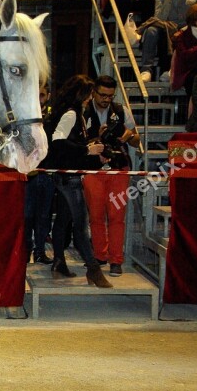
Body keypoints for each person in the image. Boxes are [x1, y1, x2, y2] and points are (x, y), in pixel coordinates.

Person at [39, 74, 112, 288]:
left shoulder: (73, 113)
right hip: (68, 177)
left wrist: (91, 147)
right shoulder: (71, 114)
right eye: (89, 94)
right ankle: (93, 270)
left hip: (67, 174)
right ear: (81, 94)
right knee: (80, 225)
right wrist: (87, 149)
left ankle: (59, 261)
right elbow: (58, 141)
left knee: (64, 219)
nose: (90, 98)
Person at [82, 76, 141, 277]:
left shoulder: (121, 110)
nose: (106, 99)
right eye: (102, 95)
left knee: (117, 217)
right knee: (96, 215)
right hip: (93, 169)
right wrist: (95, 137)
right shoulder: (83, 111)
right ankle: (100, 255)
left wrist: (127, 135)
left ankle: (116, 260)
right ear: (94, 93)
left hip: (119, 167)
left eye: (110, 96)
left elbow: (136, 141)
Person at [24, 82, 55, 264]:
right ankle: (26, 251)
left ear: (48, 96)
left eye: (42, 95)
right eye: (36, 95)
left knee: (44, 216)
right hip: (28, 174)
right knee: (27, 215)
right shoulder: (25, 115)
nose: (38, 99)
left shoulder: (52, 117)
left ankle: (40, 251)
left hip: (47, 173)